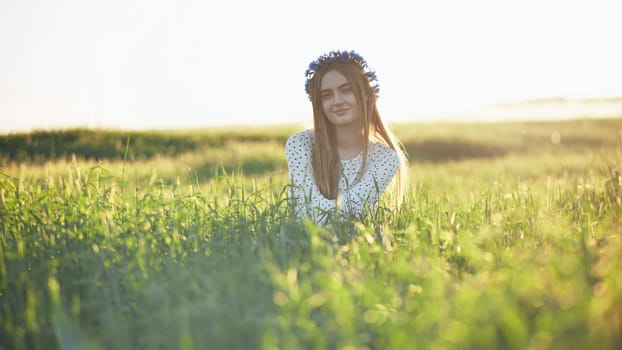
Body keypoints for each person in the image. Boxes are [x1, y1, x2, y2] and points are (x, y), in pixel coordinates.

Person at [285, 50, 408, 224]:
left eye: (346, 90)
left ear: (366, 94)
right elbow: (301, 211)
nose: (337, 101)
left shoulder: (386, 158)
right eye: (326, 95)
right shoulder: (300, 144)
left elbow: (347, 212)